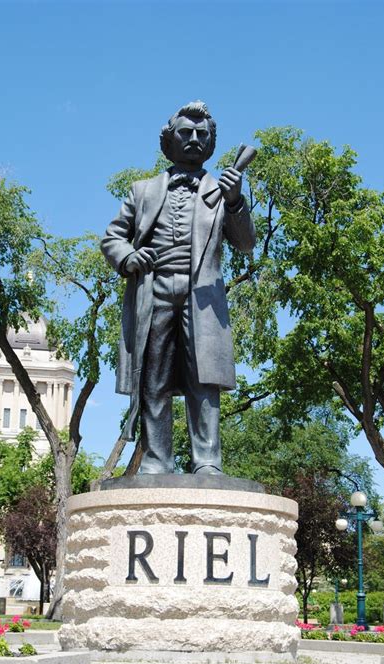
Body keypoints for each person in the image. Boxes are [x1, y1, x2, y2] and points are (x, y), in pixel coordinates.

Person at [101, 101, 255, 475]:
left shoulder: (221, 192)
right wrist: (128, 257)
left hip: (202, 296)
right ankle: (157, 459)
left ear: (211, 145)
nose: (194, 139)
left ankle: (207, 461)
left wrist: (235, 201)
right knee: (153, 376)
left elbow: (246, 242)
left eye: (202, 135)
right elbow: (112, 237)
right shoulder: (142, 191)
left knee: (205, 379)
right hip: (153, 291)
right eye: (185, 133)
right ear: (167, 141)